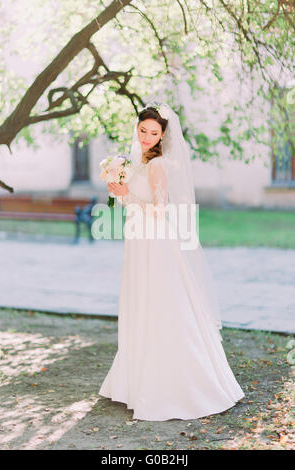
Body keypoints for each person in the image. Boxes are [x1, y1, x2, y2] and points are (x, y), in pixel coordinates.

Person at [98, 102, 245, 421]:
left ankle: (175, 384)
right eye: (142, 131)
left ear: (163, 135)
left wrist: (126, 195)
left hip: (156, 242)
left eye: (153, 133)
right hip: (139, 240)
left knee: (162, 305)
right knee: (141, 303)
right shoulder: (137, 162)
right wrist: (121, 191)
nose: (147, 137)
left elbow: (160, 209)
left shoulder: (158, 165)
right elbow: (136, 203)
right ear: (136, 129)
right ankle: (133, 381)